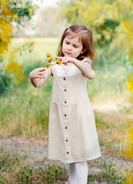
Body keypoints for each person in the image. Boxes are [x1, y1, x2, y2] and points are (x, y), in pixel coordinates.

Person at [29, 24, 101, 184]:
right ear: (62, 42)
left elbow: (91, 74)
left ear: (82, 50)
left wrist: (74, 61)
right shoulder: (55, 66)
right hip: (63, 115)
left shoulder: (84, 64)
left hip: (79, 115)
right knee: (71, 153)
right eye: (67, 43)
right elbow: (39, 83)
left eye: (75, 46)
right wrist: (32, 76)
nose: (69, 48)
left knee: (80, 154)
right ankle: (72, 181)